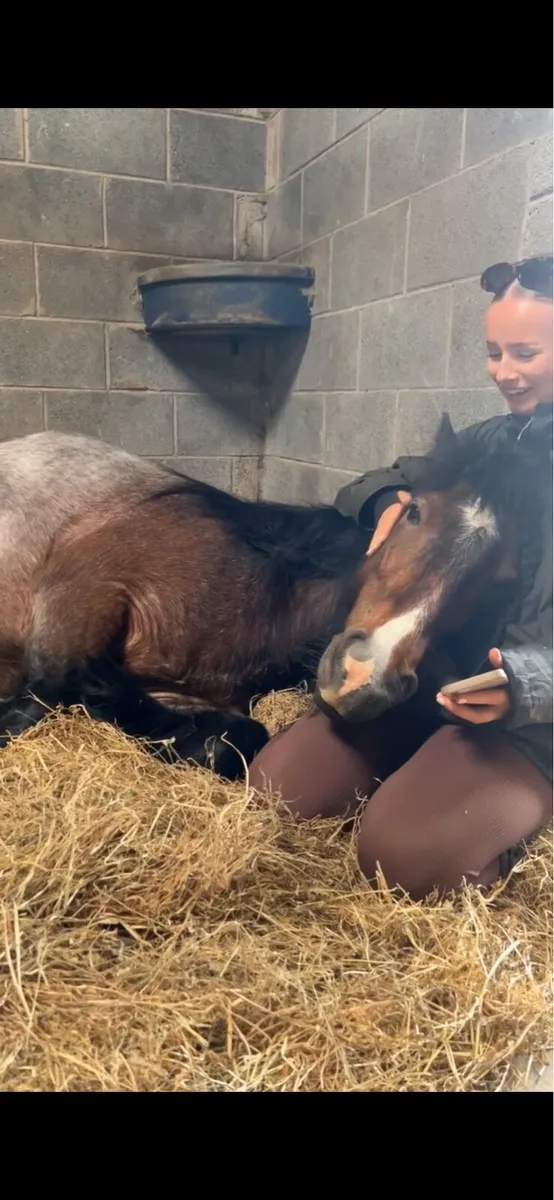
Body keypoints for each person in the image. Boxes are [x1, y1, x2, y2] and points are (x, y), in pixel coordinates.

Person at [249, 255, 553, 901]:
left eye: (524, 352)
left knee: (404, 861)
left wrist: (525, 687)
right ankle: (422, 760)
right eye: (493, 351)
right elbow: (386, 475)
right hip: (447, 685)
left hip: (533, 723)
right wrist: (388, 499)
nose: (503, 371)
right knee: (277, 791)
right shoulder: (496, 439)